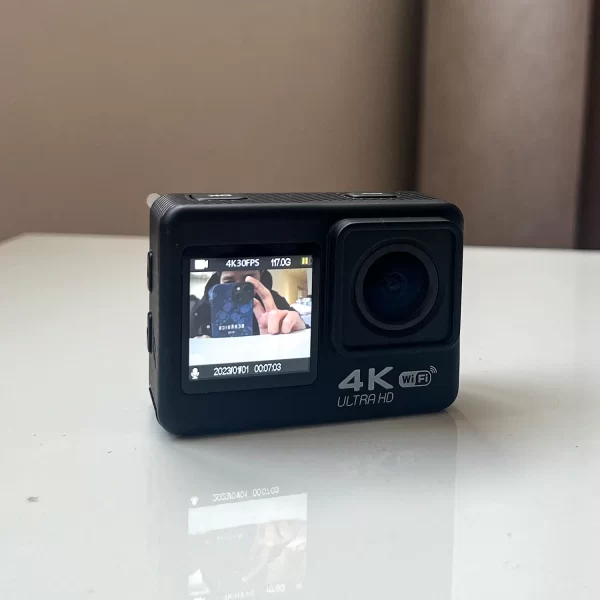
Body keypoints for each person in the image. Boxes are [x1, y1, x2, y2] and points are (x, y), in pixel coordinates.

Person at [190, 270, 307, 338]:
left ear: (260, 276)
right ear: (219, 281)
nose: (238, 291)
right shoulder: (202, 308)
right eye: (229, 281)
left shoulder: (275, 302)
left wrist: (300, 334)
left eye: (248, 279)